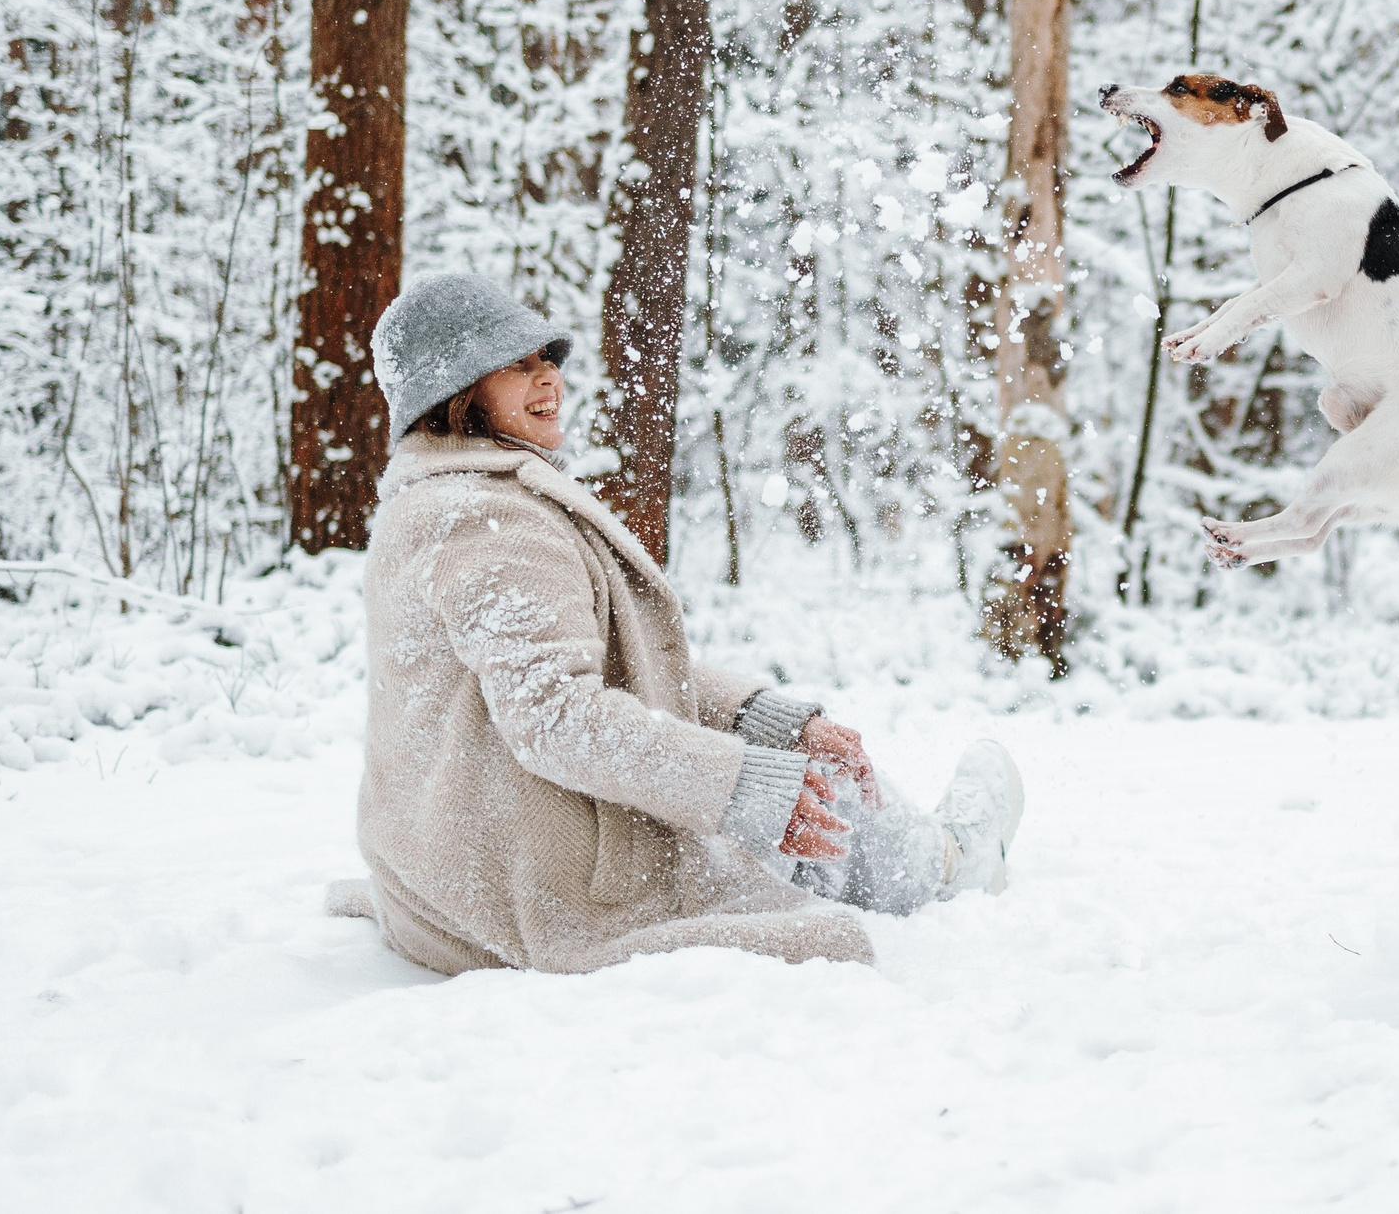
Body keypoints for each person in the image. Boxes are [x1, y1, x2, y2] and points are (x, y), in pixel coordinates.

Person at [338, 273, 1023, 974]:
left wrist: (763, 719)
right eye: (518, 365)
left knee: (773, 779)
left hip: (464, 874)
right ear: (455, 391)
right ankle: (944, 864)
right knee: (793, 802)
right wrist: (742, 785)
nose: (550, 381)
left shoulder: (439, 503)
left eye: (548, 359)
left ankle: (918, 850)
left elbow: (602, 667)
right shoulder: (490, 518)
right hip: (548, 891)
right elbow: (557, 717)